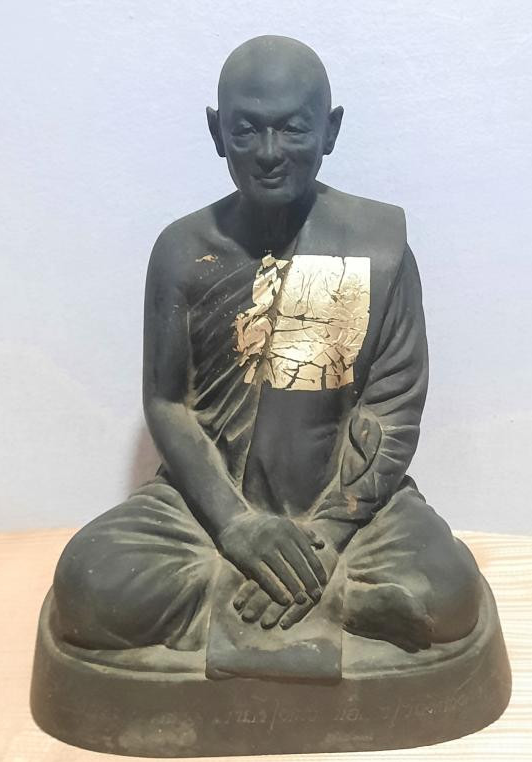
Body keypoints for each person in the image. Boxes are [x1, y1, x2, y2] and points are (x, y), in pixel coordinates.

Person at [53, 35, 481, 658]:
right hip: (210, 509)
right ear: (216, 132)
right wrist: (237, 525)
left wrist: (327, 536)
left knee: (448, 591)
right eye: (247, 130)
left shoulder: (374, 247)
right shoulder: (182, 251)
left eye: (293, 129)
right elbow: (168, 403)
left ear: (330, 130)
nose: (270, 153)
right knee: (89, 583)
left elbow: (392, 408)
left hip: (348, 513)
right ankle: (326, 602)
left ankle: (280, 590)